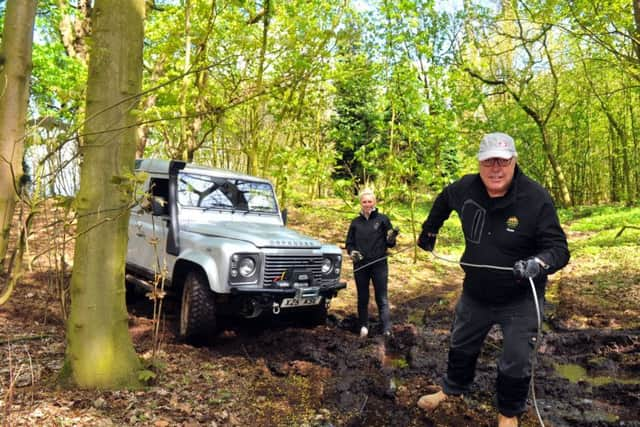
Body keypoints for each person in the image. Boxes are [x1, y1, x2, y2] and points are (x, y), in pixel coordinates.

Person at [416, 132, 570, 427]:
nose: (495, 169)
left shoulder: (536, 198)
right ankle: (451, 390)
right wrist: (430, 231)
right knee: (461, 343)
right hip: (476, 292)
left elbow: (559, 249)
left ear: (514, 161)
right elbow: (444, 199)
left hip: (521, 297)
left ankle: (508, 413)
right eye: (489, 162)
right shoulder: (465, 187)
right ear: (479, 164)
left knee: (516, 358)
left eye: (502, 161)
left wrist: (538, 263)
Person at [346, 189, 398, 338]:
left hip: (379, 263)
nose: (367, 204)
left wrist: (392, 237)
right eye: (364, 201)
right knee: (363, 297)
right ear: (360, 203)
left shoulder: (382, 219)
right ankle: (363, 326)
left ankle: (386, 328)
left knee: (381, 297)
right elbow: (349, 243)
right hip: (361, 265)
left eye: (370, 201)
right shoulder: (355, 222)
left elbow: (390, 243)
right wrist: (352, 253)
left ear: (374, 202)